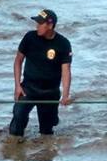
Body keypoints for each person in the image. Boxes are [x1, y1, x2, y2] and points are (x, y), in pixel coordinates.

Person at [9, 9, 73, 137]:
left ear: (50, 25)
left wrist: (65, 95)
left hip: (49, 92)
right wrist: (17, 86)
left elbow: (66, 71)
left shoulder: (63, 43)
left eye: (40, 23)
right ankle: (15, 150)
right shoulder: (29, 37)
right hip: (28, 88)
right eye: (37, 23)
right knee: (17, 122)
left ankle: (46, 151)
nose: (37, 26)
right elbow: (18, 61)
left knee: (46, 132)